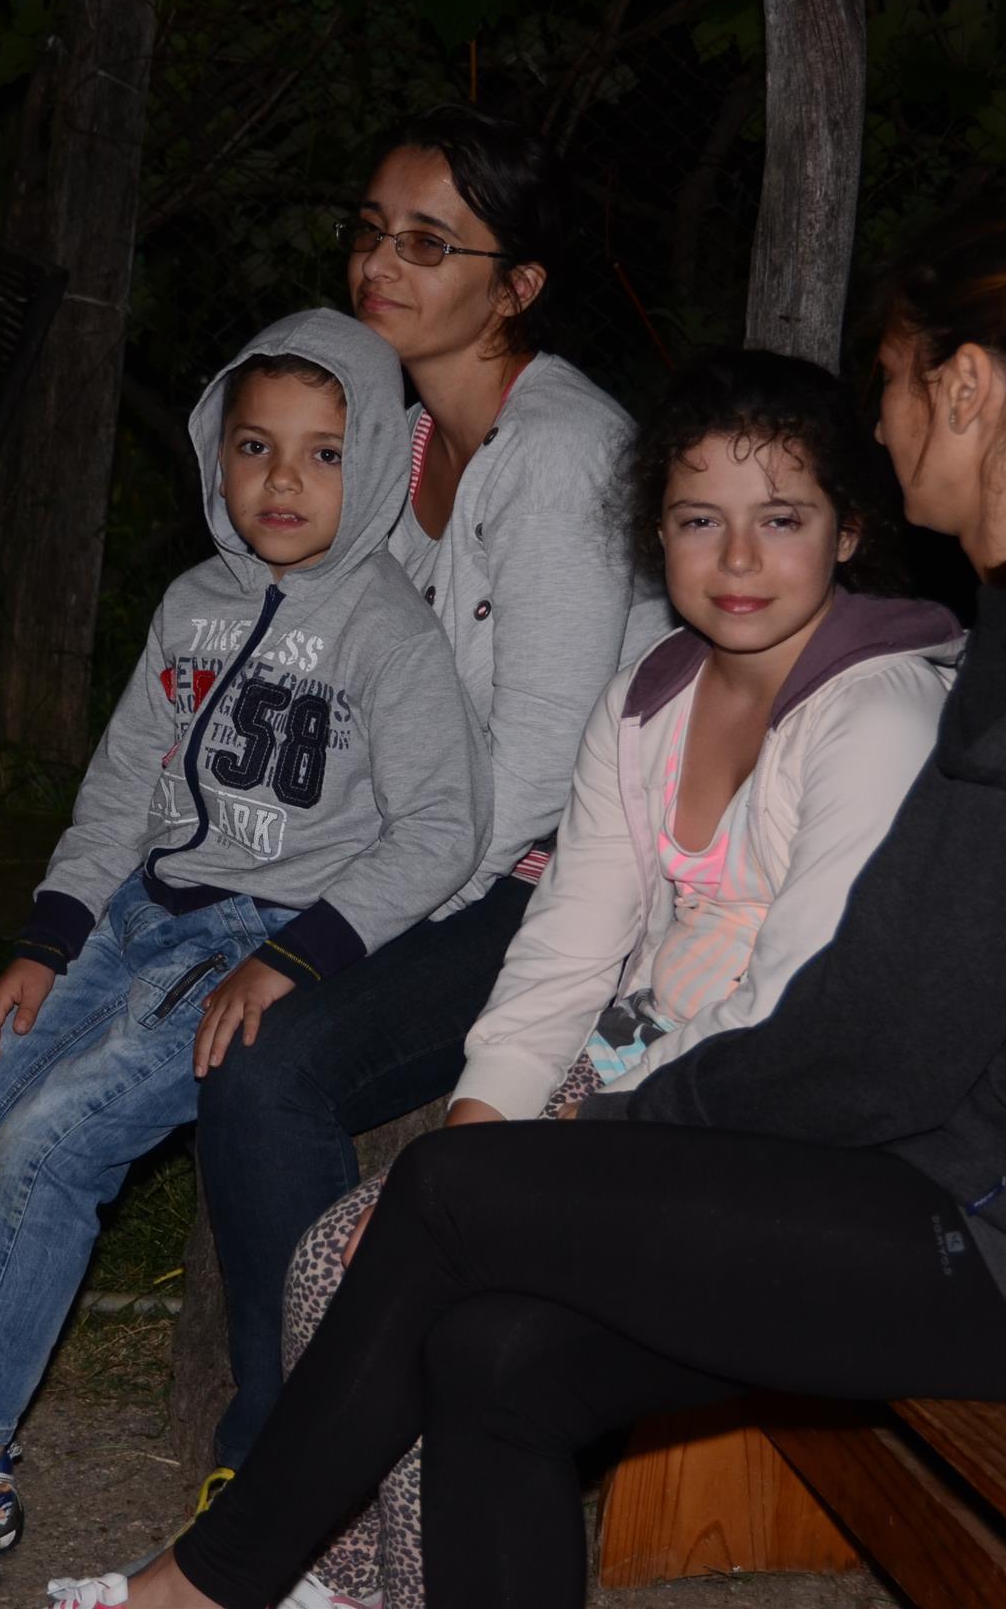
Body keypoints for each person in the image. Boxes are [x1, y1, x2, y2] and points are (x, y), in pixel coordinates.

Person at [49, 211, 1006, 1609]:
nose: (880, 425)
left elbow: (878, 1047)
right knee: (494, 1359)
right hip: (969, 1187)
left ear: (963, 390)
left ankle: (211, 1584)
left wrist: (615, 1134)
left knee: (457, 1194)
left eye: (890, 384)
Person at [273, 347, 963, 1609]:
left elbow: (793, 1017)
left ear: (850, 531)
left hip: (784, 1135)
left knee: (462, 1313)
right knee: (341, 1254)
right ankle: (356, 1585)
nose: (737, 559)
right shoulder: (649, 702)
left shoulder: (881, 718)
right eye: (699, 520)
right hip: (625, 1081)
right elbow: (568, 949)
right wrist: (469, 1149)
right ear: (658, 533)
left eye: (781, 519)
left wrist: (539, 1175)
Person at [0, 307, 490, 1566]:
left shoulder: (388, 633)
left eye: (323, 452)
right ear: (211, 452)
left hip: (250, 949)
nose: (283, 480)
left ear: (375, 465)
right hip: (133, 917)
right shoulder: (188, 606)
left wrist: (295, 958)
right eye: (254, 445)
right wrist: (43, 945)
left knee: (47, 1144)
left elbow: (444, 830)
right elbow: (122, 789)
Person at [195, 104, 670, 1485]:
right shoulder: (396, 438)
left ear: (515, 287)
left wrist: (336, 928)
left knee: (271, 1066)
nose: (377, 267)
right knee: (189, 989)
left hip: (563, 881)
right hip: (435, 850)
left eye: (426, 244)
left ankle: (295, 1463)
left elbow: (531, 774)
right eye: (369, 232)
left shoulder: (563, 454)